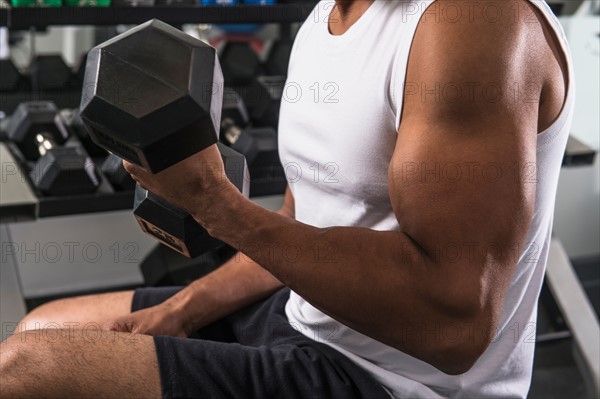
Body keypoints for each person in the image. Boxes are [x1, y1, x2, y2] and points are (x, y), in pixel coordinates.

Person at [0, 0, 573, 397]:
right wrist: (186, 307)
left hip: (392, 382)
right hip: (301, 320)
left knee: (24, 372)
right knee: (42, 330)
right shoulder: (326, 19)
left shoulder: (472, 24)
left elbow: (454, 326)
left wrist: (216, 204)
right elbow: (301, 224)